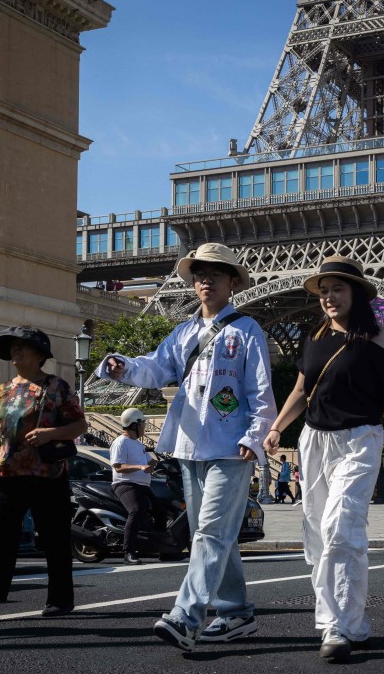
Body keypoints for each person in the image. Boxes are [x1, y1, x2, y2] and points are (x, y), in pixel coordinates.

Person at [97, 243, 275, 652]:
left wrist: (255, 435)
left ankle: (186, 615)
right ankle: (236, 613)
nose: (205, 279)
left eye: (214, 272)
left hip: (232, 447)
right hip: (190, 445)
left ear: (233, 282)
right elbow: (158, 367)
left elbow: (261, 392)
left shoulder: (246, 330)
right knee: (212, 534)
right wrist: (125, 365)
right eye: (199, 273)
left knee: (210, 532)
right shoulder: (184, 332)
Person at [263, 255, 384, 664]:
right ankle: (353, 620)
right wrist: (277, 427)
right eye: (324, 291)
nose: (330, 297)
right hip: (314, 440)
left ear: (357, 294)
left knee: (340, 527)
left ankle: (335, 626)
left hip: (360, 440)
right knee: (317, 534)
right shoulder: (313, 336)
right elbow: (301, 389)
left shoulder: (378, 339)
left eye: (338, 289)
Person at [0, 326, 86, 623]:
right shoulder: (2, 390)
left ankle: (61, 599)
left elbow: (80, 426)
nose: (15, 350)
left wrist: (50, 433)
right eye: (12, 346)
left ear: (39, 355)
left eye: (22, 345)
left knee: (54, 538)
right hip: (6, 472)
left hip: (47, 472)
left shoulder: (57, 387)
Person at [110, 408, 157, 565]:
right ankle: (128, 552)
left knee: (161, 511)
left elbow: (149, 462)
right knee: (135, 511)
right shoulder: (120, 443)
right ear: (134, 425)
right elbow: (118, 467)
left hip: (142, 485)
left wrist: (156, 460)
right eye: (142, 423)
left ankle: (164, 548)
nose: (144, 426)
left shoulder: (138, 444)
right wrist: (140, 467)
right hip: (125, 484)